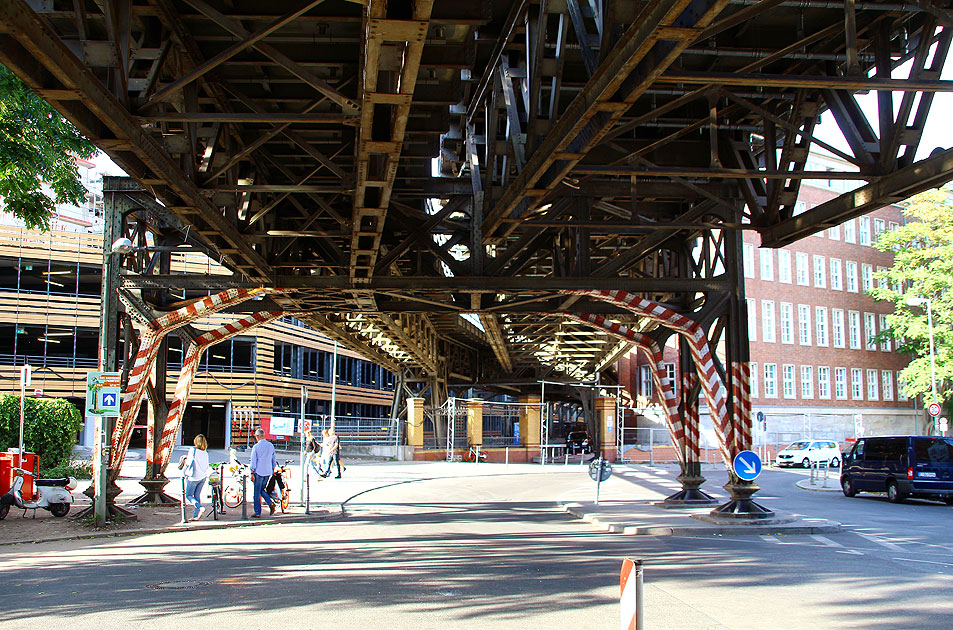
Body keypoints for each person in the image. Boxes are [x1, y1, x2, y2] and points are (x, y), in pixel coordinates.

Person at [250, 427, 278, 517]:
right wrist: (273, 468)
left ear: (257, 436)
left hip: (258, 471)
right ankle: (270, 503)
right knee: (261, 490)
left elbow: (253, 461)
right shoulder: (270, 445)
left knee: (257, 493)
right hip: (268, 471)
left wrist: (251, 472)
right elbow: (273, 459)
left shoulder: (256, 447)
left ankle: (258, 512)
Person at [183, 434, 210, 520]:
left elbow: (188, 462)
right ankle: (195, 516)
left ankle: (200, 507)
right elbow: (206, 466)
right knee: (197, 495)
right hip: (203, 476)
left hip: (193, 476)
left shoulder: (193, 450)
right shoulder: (205, 453)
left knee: (188, 495)